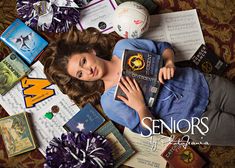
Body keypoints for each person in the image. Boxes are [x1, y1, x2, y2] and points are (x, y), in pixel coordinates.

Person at [44, 27, 235, 146]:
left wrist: (168, 63)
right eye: (80, 74)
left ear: (90, 51)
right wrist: (140, 107)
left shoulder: (124, 46)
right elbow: (150, 130)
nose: (87, 71)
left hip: (207, 84)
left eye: (83, 61)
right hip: (196, 124)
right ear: (81, 80)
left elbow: (164, 48)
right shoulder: (109, 102)